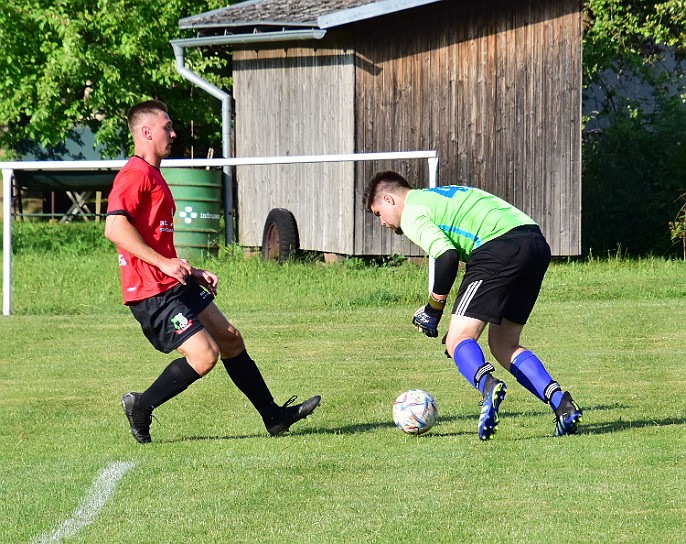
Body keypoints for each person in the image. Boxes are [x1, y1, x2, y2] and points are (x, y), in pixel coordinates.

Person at [105, 99, 320, 443]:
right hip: (151, 290)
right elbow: (115, 228)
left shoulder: (154, 174)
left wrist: (190, 271)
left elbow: (155, 242)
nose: (173, 133)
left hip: (172, 281)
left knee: (231, 338)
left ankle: (274, 416)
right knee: (204, 356)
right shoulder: (134, 174)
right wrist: (163, 264)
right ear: (146, 132)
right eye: (166, 127)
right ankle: (141, 406)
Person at [365, 170, 582, 440]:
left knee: (457, 340)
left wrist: (433, 311)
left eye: (378, 214)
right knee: (504, 344)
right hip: (534, 243)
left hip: (498, 245)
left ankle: (488, 387)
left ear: (389, 199)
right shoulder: (437, 196)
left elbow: (446, 257)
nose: (382, 223)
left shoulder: (411, 212)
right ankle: (562, 405)